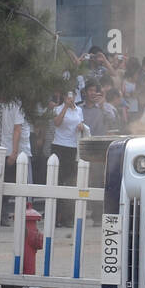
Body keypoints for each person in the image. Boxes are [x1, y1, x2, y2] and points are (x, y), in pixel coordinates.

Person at [51, 88, 87, 226]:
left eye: (72, 95)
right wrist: (65, 107)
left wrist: (81, 126)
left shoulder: (79, 110)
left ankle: (67, 216)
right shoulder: (58, 108)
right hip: (59, 145)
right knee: (58, 181)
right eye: (67, 95)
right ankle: (56, 216)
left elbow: (81, 124)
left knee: (70, 181)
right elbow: (57, 123)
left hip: (73, 147)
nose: (70, 97)